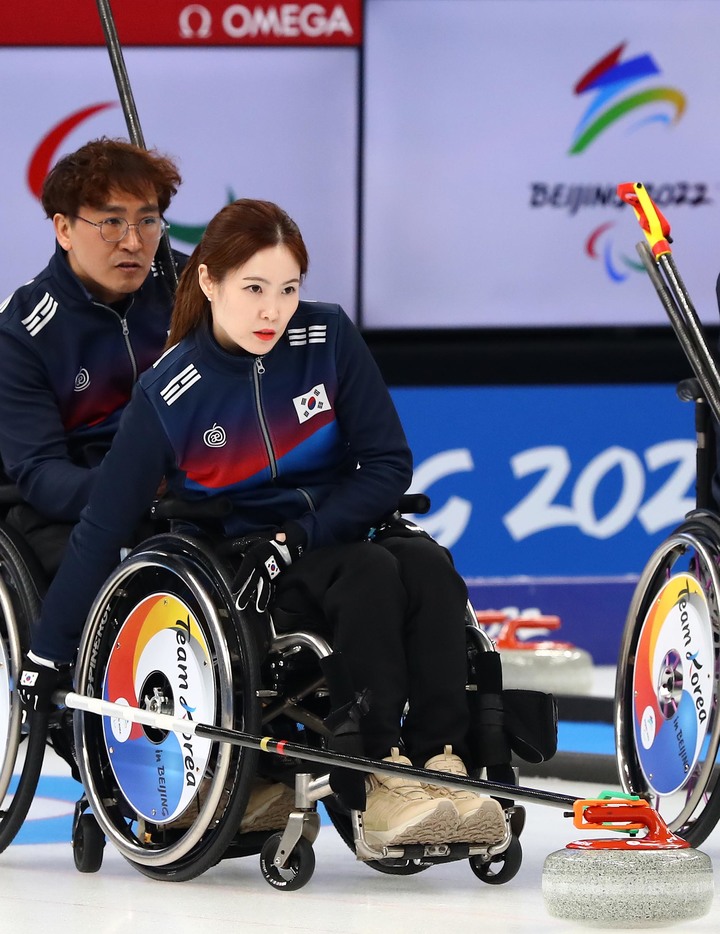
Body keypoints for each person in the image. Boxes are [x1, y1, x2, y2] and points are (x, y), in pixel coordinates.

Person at [18, 198, 505, 848]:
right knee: (371, 573)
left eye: (288, 289)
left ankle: (443, 761)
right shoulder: (169, 391)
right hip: (239, 568)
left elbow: (387, 465)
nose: (273, 310)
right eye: (253, 289)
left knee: (429, 567)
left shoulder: (327, 338)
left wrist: (303, 531)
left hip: (324, 535)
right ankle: (381, 776)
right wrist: (45, 655)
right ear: (209, 281)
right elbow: (102, 528)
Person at [0, 137, 183, 577]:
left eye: (148, 221)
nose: (134, 243)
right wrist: (131, 484)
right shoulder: (21, 332)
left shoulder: (189, 284)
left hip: (186, 486)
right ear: (64, 229)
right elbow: (43, 475)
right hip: (71, 506)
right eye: (112, 223)